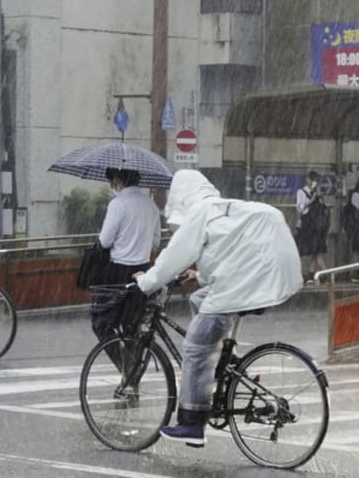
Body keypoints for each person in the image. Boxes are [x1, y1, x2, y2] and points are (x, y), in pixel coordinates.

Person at [134, 169, 301, 447]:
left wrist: (146, 283)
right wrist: (198, 277)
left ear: (181, 195)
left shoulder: (200, 212)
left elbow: (173, 255)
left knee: (196, 348)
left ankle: (192, 424)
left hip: (244, 284)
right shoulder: (221, 209)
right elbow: (231, 254)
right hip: (262, 274)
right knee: (198, 299)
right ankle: (228, 361)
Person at [91, 168, 161, 348]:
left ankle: (123, 364)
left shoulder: (118, 204)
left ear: (117, 180)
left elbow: (105, 242)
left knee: (102, 323)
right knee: (132, 325)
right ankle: (133, 364)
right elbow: (155, 242)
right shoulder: (151, 206)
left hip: (118, 273)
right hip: (143, 271)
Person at [294, 171, 329, 283]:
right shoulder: (301, 192)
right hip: (308, 225)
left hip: (317, 226)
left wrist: (319, 197)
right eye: (313, 180)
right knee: (313, 250)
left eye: (316, 181)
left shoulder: (317, 193)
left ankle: (311, 274)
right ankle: (325, 274)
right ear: (308, 180)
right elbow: (300, 208)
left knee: (316, 251)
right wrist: (312, 200)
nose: (314, 183)